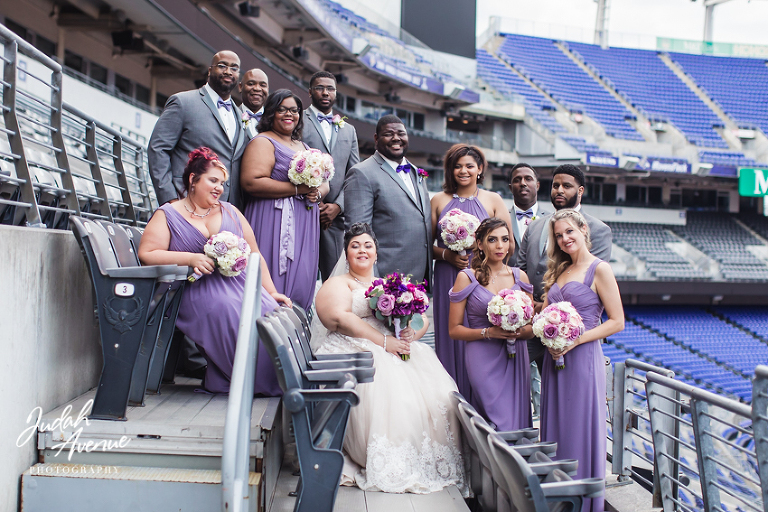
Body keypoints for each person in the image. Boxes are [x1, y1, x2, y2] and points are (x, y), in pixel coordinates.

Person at [312, 223, 466, 494]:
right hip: (357, 349)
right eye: (355, 246)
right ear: (345, 253)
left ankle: (426, 459)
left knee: (440, 393)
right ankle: (389, 460)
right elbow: (339, 318)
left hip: (393, 345)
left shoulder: (388, 286)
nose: (362, 250)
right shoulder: (338, 283)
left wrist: (410, 333)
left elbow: (421, 319)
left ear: (376, 253)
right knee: (392, 391)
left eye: (367, 245)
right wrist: (383, 341)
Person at [138, 147, 292, 396]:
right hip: (193, 287)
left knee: (269, 312)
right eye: (213, 180)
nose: (219, 188)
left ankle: (257, 377)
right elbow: (148, 254)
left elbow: (255, 255)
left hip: (238, 284)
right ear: (193, 179)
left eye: (222, 183)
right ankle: (250, 379)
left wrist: (271, 291)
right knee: (228, 309)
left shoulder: (231, 211)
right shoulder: (168, 213)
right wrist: (191, 258)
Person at [529, 209, 623, 512]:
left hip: (583, 360)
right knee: (555, 426)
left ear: (583, 230)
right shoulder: (559, 270)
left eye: (569, 231)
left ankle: (582, 503)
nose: (564, 238)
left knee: (579, 426)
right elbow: (545, 311)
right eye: (558, 235)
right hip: (554, 362)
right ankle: (557, 500)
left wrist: (574, 340)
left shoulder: (600, 269)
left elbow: (617, 321)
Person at [516, 163, 612, 415]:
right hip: (532, 322)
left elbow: (588, 282)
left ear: (580, 191)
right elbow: (522, 269)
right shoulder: (536, 225)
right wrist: (530, 304)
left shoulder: (598, 230)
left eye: (566, 186)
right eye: (555, 185)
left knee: (568, 400)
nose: (559, 190)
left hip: (571, 330)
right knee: (512, 370)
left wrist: (551, 310)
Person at [430, 144, 511, 403]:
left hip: (483, 279)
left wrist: (485, 264)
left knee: (480, 332)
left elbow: (507, 244)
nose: (463, 171)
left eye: (469, 166)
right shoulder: (438, 200)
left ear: (480, 169)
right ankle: (452, 402)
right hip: (448, 276)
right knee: (452, 335)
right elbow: (427, 245)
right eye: (457, 166)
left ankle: (483, 402)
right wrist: (448, 256)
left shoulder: (493, 200)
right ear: (450, 170)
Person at [240, 89, 328, 311]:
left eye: (294, 110)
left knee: (303, 276)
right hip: (273, 218)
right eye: (282, 109)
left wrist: (317, 193)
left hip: (305, 222)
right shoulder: (263, 141)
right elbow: (252, 182)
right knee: (274, 275)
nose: (289, 114)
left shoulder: (305, 147)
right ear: (271, 112)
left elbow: (324, 181)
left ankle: (294, 336)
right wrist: (298, 188)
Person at [448, 218, 533, 431]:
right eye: (492, 240)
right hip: (482, 357)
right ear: (479, 243)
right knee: (492, 422)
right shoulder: (466, 277)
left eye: (505, 239)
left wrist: (517, 331)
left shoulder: (520, 276)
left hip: (515, 358)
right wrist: (489, 332)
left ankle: (513, 464)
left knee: (514, 424)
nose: (500, 246)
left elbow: (532, 329)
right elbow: (454, 330)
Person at [149, 50, 247, 210]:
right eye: (222, 66)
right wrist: (171, 200)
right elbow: (158, 149)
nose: (228, 71)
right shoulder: (183, 102)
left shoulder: (239, 114)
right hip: (187, 203)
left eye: (234, 68)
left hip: (226, 210)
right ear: (210, 71)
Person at [343, 115, 431, 284]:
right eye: (389, 134)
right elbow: (358, 234)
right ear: (376, 138)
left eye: (401, 133)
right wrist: (372, 281)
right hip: (385, 279)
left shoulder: (416, 172)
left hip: (419, 279)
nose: (396, 138)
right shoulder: (362, 173)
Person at [301, 71, 360, 281]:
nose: (325, 92)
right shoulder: (298, 120)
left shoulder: (349, 130)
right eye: (319, 88)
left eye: (330, 89)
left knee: (333, 280)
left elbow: (355, 175)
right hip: (302, 210)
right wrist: (314, 204)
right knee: (300, 276)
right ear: (310, 91)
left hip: (335, 219)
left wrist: (338, 207)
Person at [508, 163, 547, 264]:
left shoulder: (551, 219)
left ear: (537, 185)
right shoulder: (501, 218)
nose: (523, 183)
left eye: (528, 179)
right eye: (517, 180)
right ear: (510, 188)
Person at [238, 68, 269, 140]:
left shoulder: (274, 122)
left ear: (268, 89)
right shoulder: (231, 116)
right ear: (240, 87)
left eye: (263, 85)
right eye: (251, 84)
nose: (257, 88)